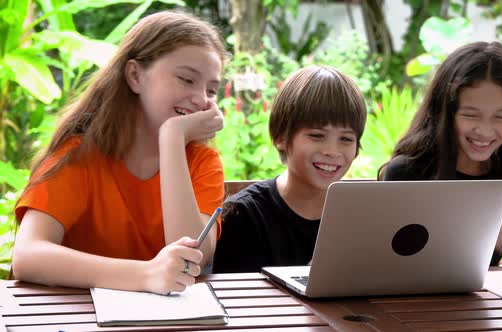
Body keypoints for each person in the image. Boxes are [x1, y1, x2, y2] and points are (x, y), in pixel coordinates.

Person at [12, 10, 227, 294]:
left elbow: (190, 257)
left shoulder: (203, 162)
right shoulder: (81, 155)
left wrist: (172, 138)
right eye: (187, 80)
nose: (201, 99)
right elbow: (27, 255)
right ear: (135, 76)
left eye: (212, 91)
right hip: (80, 317)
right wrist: (146, 275)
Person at [379, 41, 502, 266]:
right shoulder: (407, 172)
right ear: (445, 112)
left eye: (501, 117)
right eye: (470, 115)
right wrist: (483, 229)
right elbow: (391, 260)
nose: (485, 130)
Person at [213, 65, 367, 273]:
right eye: (317, 136)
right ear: (281, 138)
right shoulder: (245, 215)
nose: (333, 151)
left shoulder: (363, 215)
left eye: (346, 139)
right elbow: (234, 300)